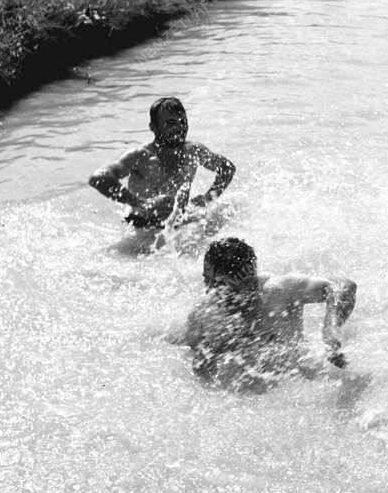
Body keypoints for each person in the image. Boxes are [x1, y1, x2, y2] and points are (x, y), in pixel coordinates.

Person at [166, 237, 357, 392]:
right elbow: (189, 358)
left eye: (217, 283)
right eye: (207, 281)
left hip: (300, 388)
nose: (210, 290)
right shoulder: (206, 314)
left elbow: (343, 286)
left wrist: (331, 327)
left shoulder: (279, 292)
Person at [89, 97, 236, 230]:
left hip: (178, 225)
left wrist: (208, 198)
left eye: (183, 122)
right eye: (171, 123)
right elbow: (98, 178)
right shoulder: (140, 157)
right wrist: (142, 204)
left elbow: (227, 168)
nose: (179, 128)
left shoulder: (193, 151)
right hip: (141, 228)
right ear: (153, 127)